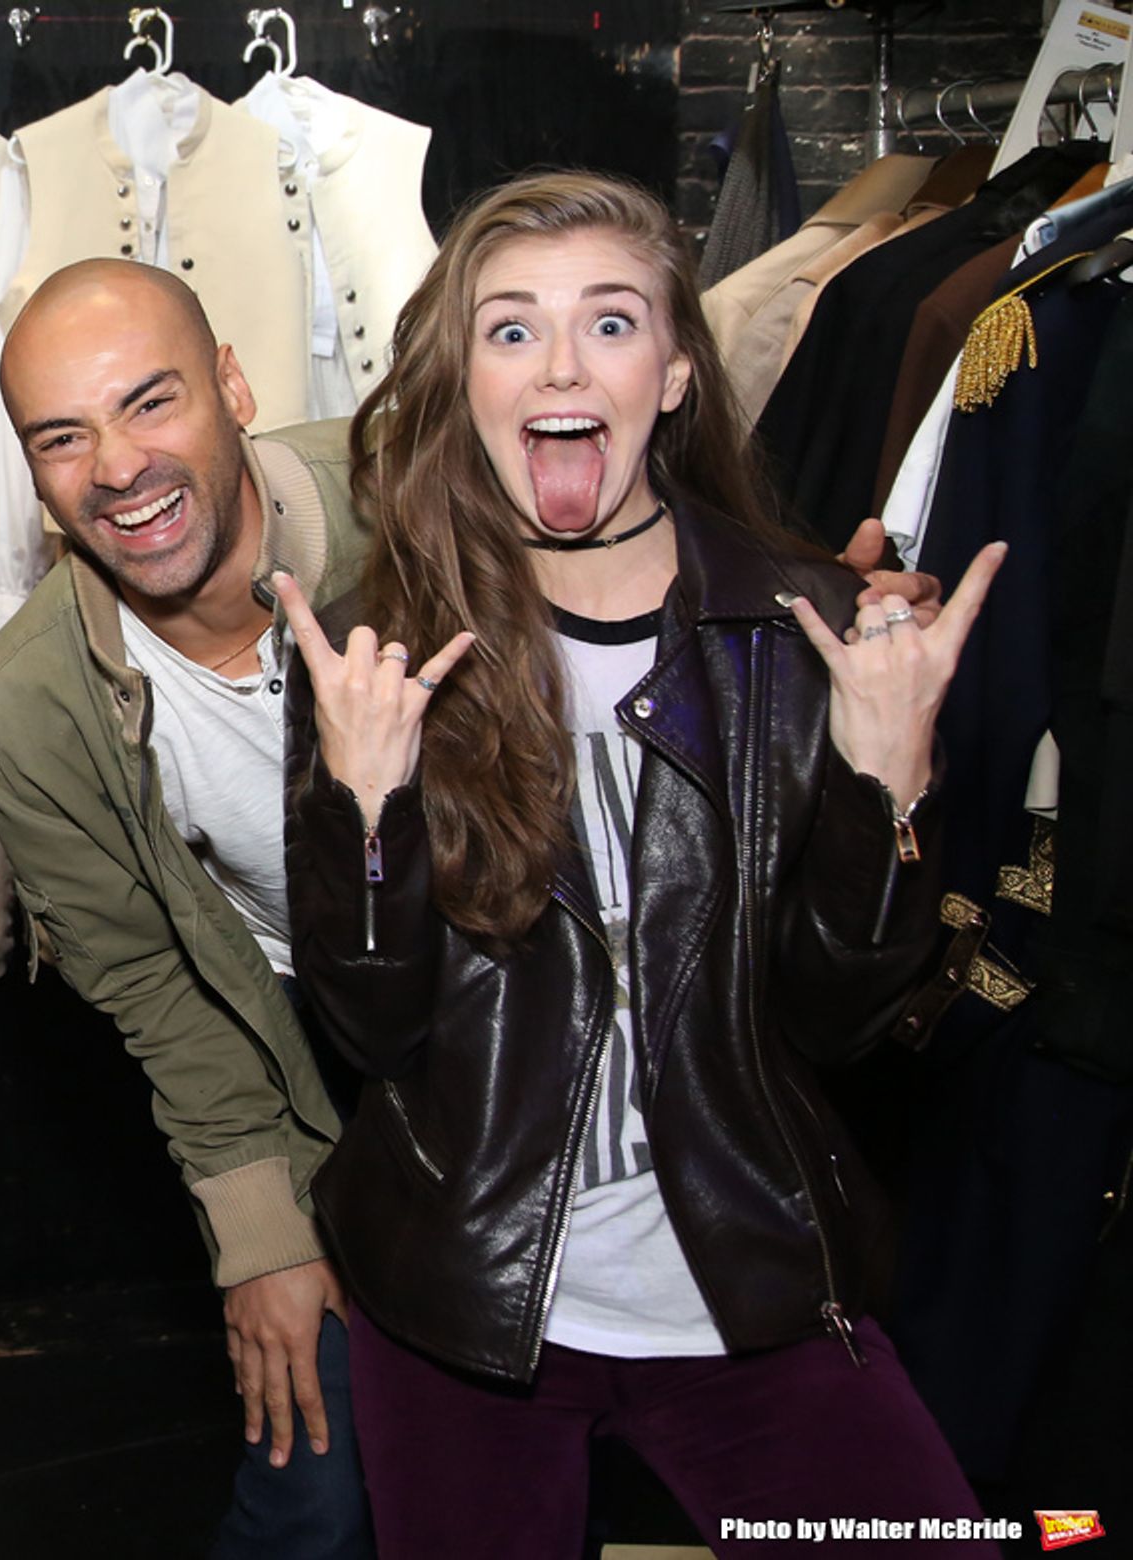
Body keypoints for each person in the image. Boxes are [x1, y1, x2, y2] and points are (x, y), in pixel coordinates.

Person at [279, 171, 1008, 1559]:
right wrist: (367, 810)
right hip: (463, 1301)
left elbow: (841, 1024)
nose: (560, 364)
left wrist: (887, 791)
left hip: (752, 1288)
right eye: (510, 331)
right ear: (464, 383)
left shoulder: (813, 636)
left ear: (674, 373)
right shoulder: (384, 658)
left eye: (609, 325)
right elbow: (373, 1030)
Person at [0, 259, 375, 1559]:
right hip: (300, 1048)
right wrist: (262, 1239)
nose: (120, 467)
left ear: (236, 386)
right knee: (317, 1472)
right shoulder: (30, 712)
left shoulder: (416, 506)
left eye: (151, 403)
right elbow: (155, 986)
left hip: (540, 1020)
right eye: (64, 437)